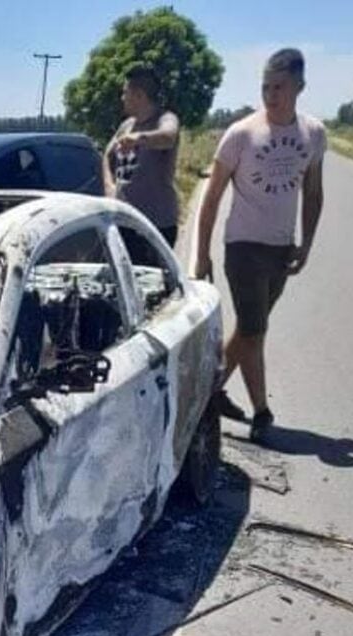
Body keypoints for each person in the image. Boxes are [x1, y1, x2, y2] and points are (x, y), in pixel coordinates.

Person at [194, 48, 325, 442]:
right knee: (254, 328)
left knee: (251, 331)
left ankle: (207, 393)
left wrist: (306, 244)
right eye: (266, 87)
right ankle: (262, 413)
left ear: (299, 87)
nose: (271, 95)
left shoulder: (313, 134)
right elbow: (212, 196)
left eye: (280, 87)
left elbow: (314, 192)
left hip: (281, 249)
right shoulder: (242, 134)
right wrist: (202, 252)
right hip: (243, 247)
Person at [103, 66, 181, 258]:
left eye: (125, 93)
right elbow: (107, 155)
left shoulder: (166, 119)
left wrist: (139, 138)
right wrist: (109, 187)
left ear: (138, 95)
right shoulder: (127, 125)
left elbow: (168, 137)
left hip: (156, 225)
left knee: (152, 284)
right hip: (124, 221)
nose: (122, 98)